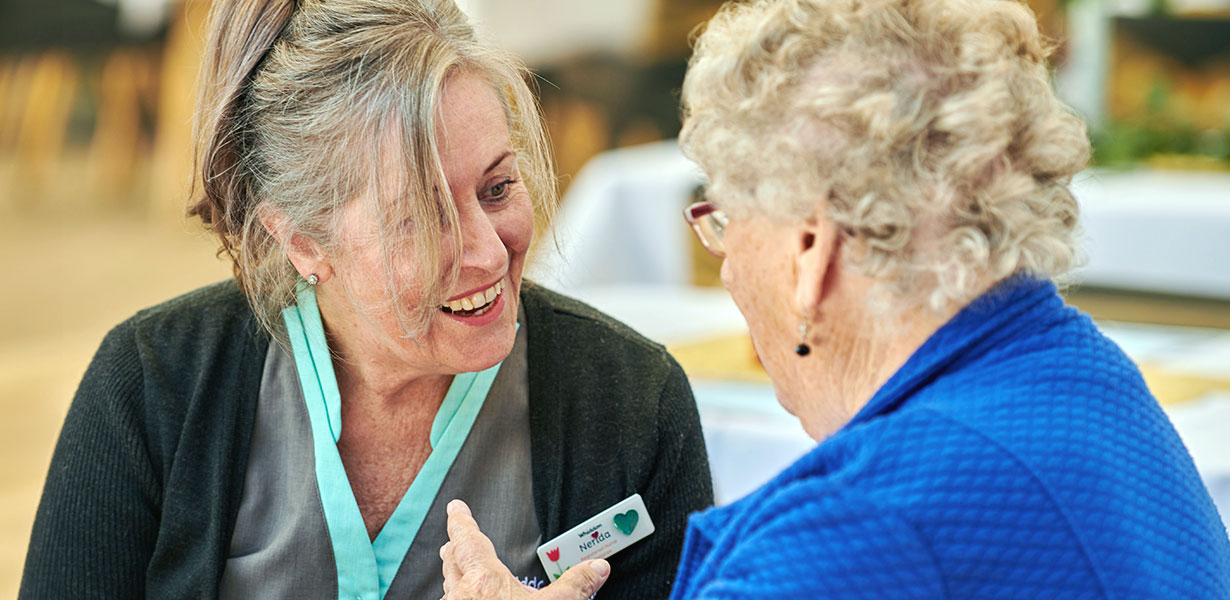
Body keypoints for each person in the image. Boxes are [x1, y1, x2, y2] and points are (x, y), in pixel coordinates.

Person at [438, 0, 1230, 597]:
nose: (728, 269)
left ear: (809, 252)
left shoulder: (852, 536)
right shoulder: (1091, 379)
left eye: (725, 223)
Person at [19, 1, 713, 598]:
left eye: (497, 189)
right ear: (299, 242)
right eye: (424, 216)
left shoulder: (631, 406)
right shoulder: (155, 388)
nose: (491, 253)